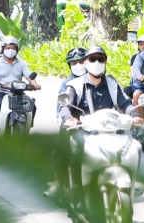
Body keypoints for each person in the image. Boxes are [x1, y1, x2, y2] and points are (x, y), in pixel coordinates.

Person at [58, 46, 143, 206]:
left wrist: (135, 114)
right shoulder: (75, 85)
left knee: (136, 148)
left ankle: (131, 186)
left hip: (111, 131)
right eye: (92, 59)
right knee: (76, 148)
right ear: (85, 62)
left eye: (100, 59)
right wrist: (69, 118)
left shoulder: (112, 83)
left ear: (105, 62)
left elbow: (125, 103)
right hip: (84, 132)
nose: (96, 62)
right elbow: (65, 107)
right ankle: (77, 193)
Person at [45, 47, 87, 203]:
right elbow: (62, 109)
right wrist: (67, 119)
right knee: (61, 150)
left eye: (81, 62)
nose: (78, 65)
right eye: (74, 63)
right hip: (74, 125)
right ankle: (60, 184)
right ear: (69, 65)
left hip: (99, 125)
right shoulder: (67, 84)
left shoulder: (103, 80)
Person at [0, 36, 40, 138]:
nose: (10, 50)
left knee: (32, 106)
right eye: (8, 48)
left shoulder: (22, 63)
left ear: (17, 50)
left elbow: (29, 76)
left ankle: (27, 127)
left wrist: (34, 83)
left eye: (13, 48)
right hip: (1, 92)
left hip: (18, 92)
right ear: (3, 49)